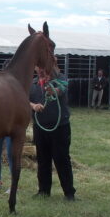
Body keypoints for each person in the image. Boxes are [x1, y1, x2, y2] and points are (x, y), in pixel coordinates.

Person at [30, 65, 76, 201]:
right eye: (38, 67)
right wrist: (33, 106)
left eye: (43, 66)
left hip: (60, 127)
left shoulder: (60, 79)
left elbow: (61, 89)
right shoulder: (32, 84)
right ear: (35, 69)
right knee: (43, 159)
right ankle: (44, 190)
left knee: (62, 159)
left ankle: (69, 193)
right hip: (40, 127)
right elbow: (25, 100)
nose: (41, 69)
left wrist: (52, 90)